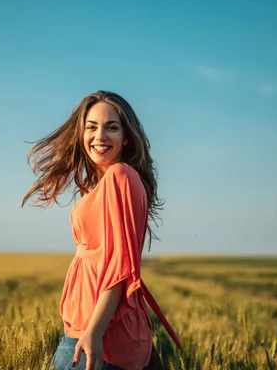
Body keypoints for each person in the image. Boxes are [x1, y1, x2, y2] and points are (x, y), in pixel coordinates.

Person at [21, 91, 182, 370]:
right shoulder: (104, 183)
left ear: (126, 137)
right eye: (91, 127)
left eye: (112, 127)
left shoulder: (121, 177)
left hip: (99, 334)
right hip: (90, 327)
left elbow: (119, 267)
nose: (100, 136)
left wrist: (94, 331)